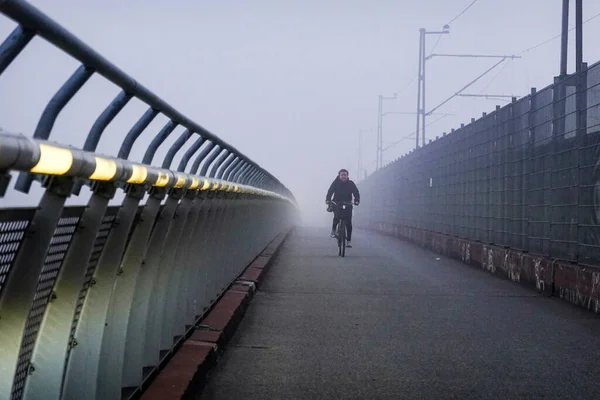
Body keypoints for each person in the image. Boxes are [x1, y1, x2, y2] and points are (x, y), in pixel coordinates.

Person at [325, 169, 360, 247]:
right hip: (337, 203)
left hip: (348, 203)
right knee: (336, 217)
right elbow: (330, 191)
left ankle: (349, 241)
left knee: (348, 223)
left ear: (347, 176)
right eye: (342, 175)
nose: (343, 176)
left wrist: (357, 200)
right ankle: (333, 231)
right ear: (339, 175)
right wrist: (328, 200)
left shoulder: (351, 184)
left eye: (345, 175)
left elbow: (356, 192)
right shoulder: (335, 183)